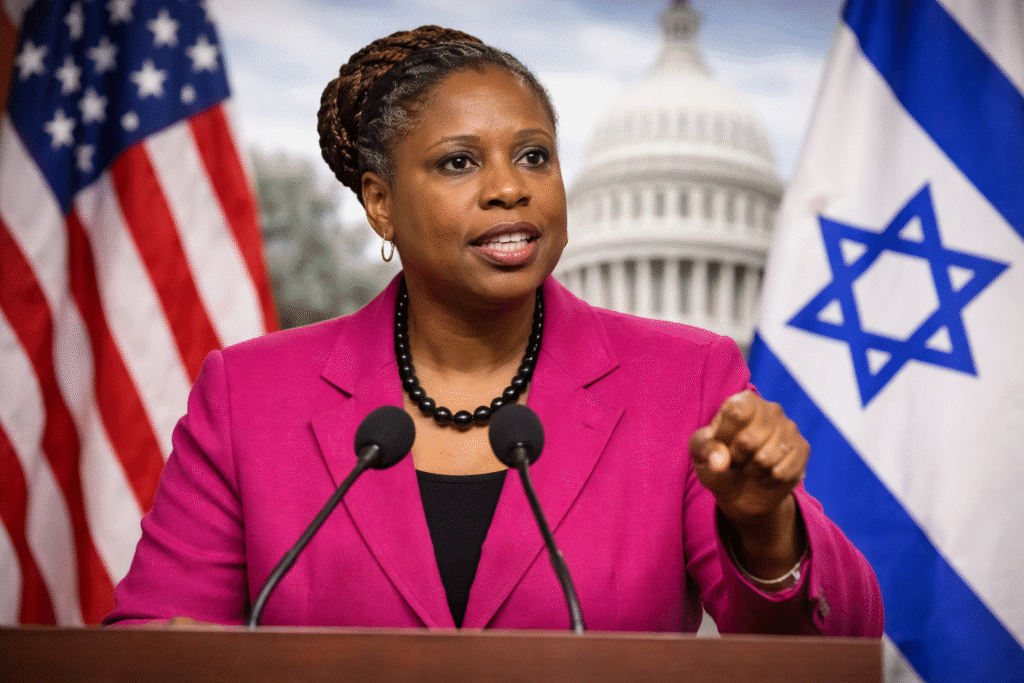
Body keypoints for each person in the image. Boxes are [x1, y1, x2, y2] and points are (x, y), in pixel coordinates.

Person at [104, 26, 883, 635]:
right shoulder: (250, 395)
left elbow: (829, 643)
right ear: (380, 203)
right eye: (458, 162)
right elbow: (156, 642)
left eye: (534, 156)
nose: (510, 188)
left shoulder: (687, 380)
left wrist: (765, 527)